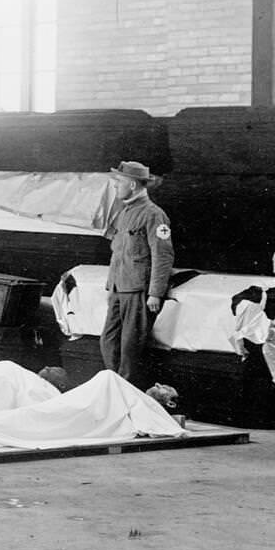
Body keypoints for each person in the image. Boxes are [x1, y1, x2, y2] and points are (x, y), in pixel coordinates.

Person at [101, 160, 174, 387]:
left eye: (119, 183)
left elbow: (163, 255)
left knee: (129, 347)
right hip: (118, 288)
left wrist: (155, 293)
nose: (115, 187)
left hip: (137, 290)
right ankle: (114, 386)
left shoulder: (154, 215)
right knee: (108, 340)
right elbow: (119, 252)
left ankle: (124, 392)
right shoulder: (123, 213)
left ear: (132, 185)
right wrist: (110, 287)